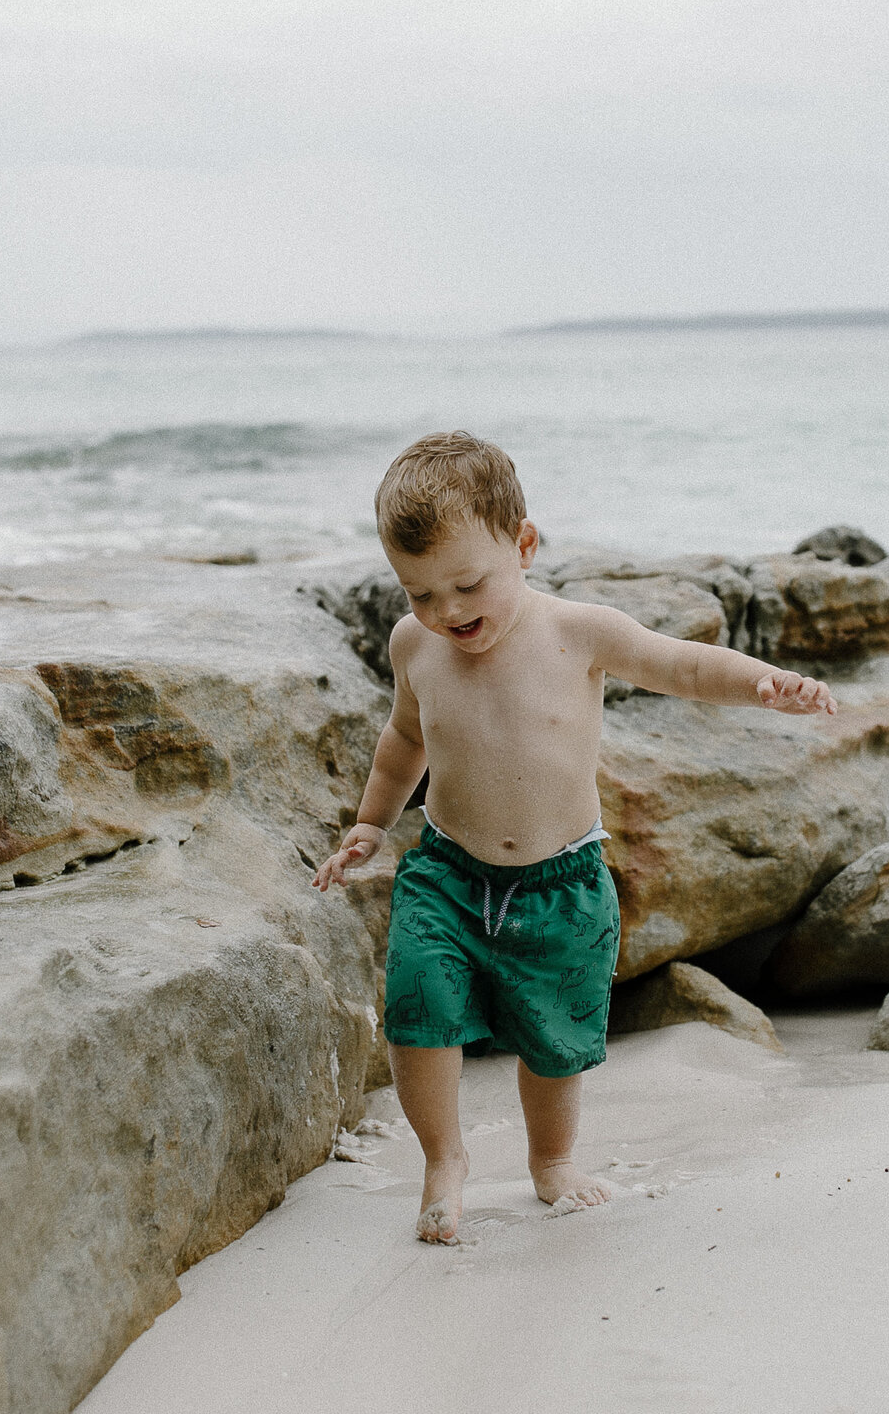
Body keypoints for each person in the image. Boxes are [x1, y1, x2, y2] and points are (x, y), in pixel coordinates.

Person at [312, 431, 837, 1242]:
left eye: (465, 584)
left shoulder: (578, 631)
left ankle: (551, 1161)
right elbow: (403, 738)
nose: (446, 612)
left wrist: (764, 686)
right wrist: (371, 823)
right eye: (419, 594)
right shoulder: (414, 644)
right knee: (419, 1007)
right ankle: (443, 1158)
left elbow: (682, 665)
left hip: (562, 883)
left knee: (556, 1039)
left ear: (523, 544)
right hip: (447, 876)